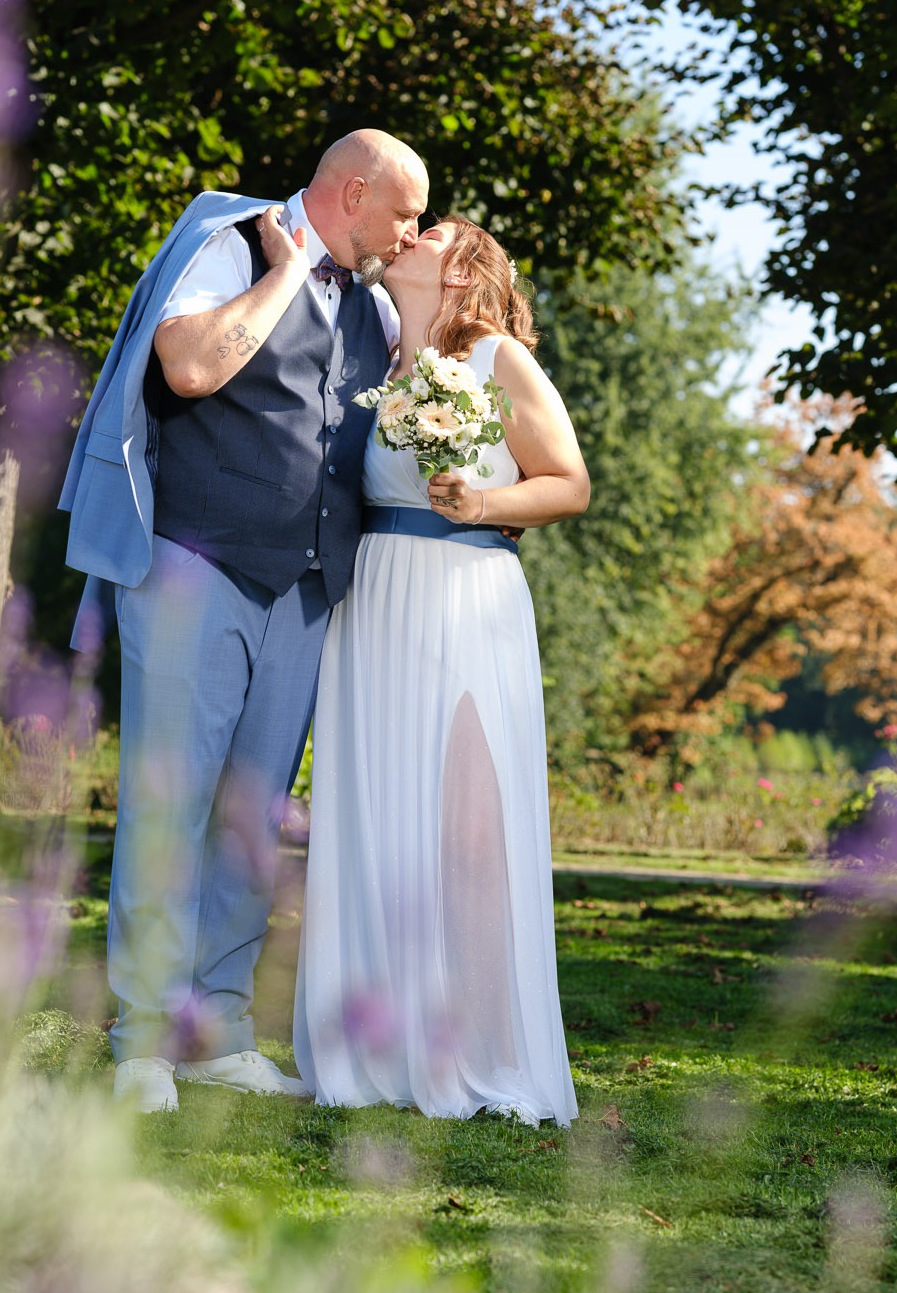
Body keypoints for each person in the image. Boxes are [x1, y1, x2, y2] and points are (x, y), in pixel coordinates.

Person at [57, 130, 429, 1113]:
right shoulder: (231, 244)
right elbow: (185, 369)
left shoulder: (380, 309)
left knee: (253, 820)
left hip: (305, 587)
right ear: (352, 193)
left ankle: (215, 1030)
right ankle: (141, 1037)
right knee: (168, 802)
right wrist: (286, 272)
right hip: (196, 565)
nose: (413, 230)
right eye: (403, 211)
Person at [293, 217, 587, 1126]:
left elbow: (568, 482)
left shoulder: (499, 362)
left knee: (471, 829)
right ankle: (380, 1049)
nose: (408, 236)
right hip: (372, 604)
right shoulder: (372, 358)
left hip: (465, 601)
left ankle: (487, 1055)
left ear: (463, 274)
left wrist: (487, 500)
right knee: (379, 819)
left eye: (434, 233)